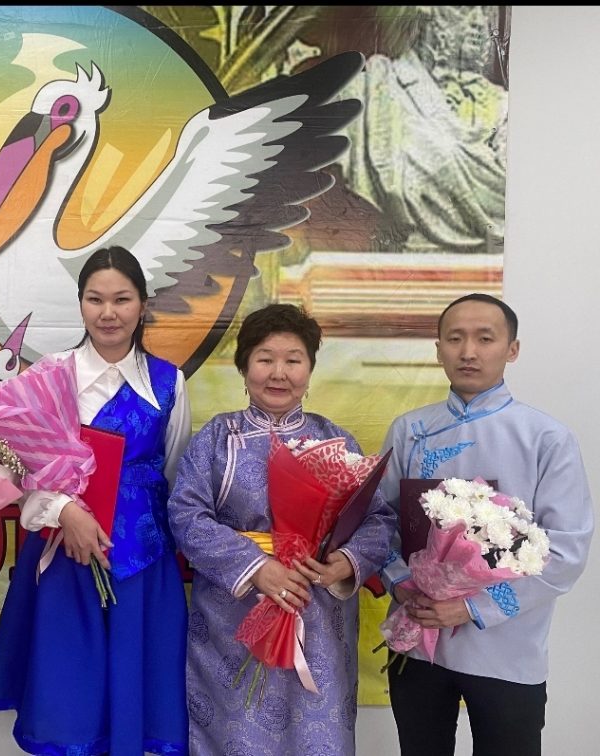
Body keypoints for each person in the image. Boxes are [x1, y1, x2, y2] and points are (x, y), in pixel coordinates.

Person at [0, 246, 192, 755]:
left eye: (122, 299)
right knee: (71, 700)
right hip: (65, 557)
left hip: (141, 564)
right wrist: (63, 510)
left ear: (142, 304)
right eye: (95, 299)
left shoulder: (169, 382)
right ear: (80, 303)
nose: (108, 312)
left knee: (134, 695)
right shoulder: (52, 375)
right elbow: (18, 465)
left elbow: (174, 474)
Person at [167, 302, 395, 756]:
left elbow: (379, 519)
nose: (279, 373)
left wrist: (343, 563)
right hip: (235, 617)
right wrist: (257, 567)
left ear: (309, 369)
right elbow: (185, 514)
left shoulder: (336, 441)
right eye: (265, 358)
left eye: (293, 360)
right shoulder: (217, 438)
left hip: (317, 613)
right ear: (244, 366)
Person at [378, 293, 594, 755]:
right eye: (455, 338)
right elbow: (381, 524)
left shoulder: (546, 438)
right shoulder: (410, 430)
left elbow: (565, 551)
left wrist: (473, 608)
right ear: (439, 349)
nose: (468, 352)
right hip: (418, 637)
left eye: (485, 339)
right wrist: (402, 585)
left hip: (506, 648)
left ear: (512, 349)